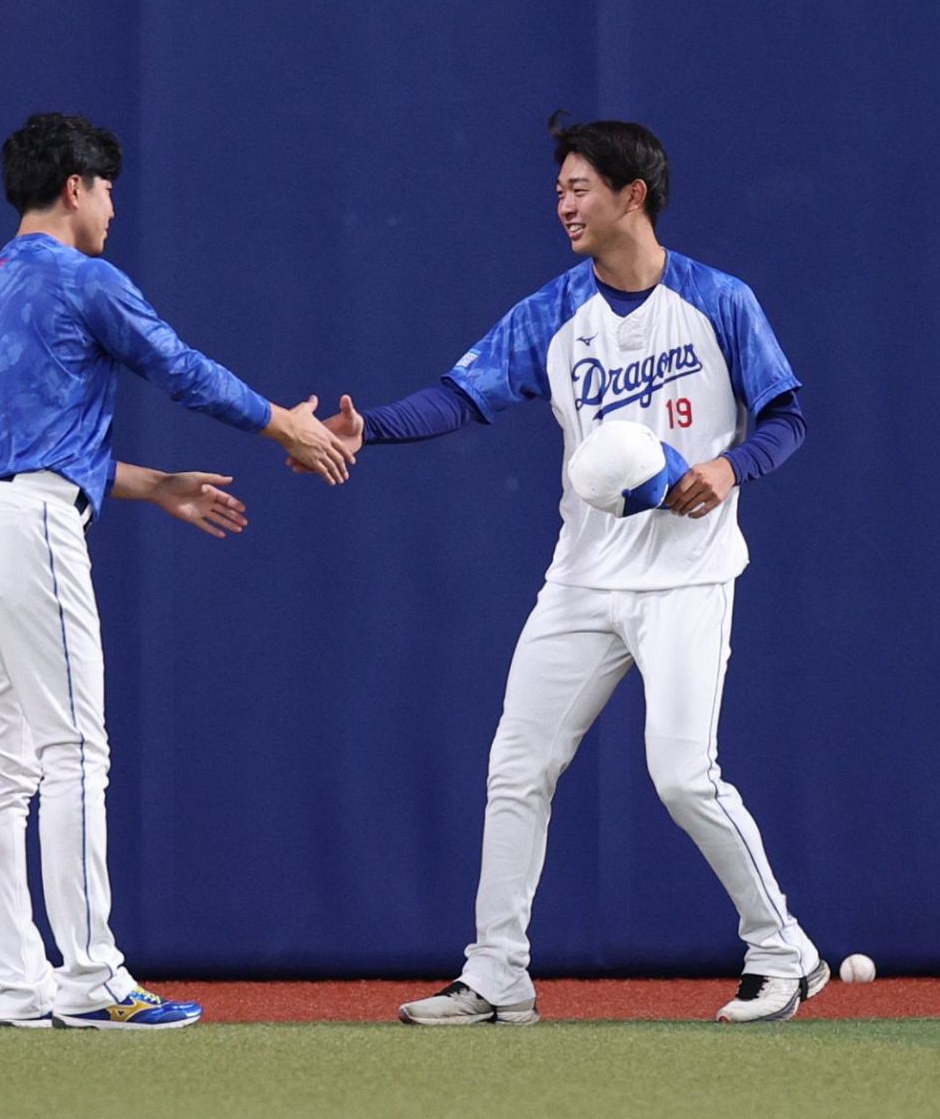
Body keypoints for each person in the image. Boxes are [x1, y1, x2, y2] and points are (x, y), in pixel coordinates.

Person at [306, 116, 828, 1024]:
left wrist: (727, 467)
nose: (564, 203)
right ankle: (497, 972)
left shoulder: (718, 301)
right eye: (558, 189)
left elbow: (786, 415)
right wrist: (370, 428)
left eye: (580, 186)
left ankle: (784, 949)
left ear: (636, 194)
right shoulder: (554, 312)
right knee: (517, 764)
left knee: (680, 775)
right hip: (583, 579)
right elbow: (462, 394)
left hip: (689, 577)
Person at [0, 112, 354, 1030]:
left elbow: (23, 444)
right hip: (27, 528)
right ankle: (91, 979)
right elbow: (180, 368)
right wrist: (286, 422)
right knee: (75, 749)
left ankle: (21, 987)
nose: (115, 208)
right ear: (76, 186)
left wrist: (157, 484)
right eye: (109, 189)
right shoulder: (85, 279)